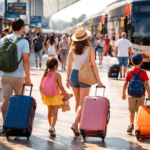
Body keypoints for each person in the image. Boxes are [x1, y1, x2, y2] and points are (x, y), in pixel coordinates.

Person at [66, 27, 103, 135]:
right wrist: (99, 81)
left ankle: (77, 126)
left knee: (77, 102)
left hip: (73, 75)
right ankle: (75, 124)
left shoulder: (71, 50)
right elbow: (94, 66)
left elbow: (69, 66)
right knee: (83, 103)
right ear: (86, 38)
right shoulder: (90, 50)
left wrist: (67, 79)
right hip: (84, 76)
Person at [0, 18, 31, 120]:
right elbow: (26, 61)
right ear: (22, 28)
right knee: (19, 101)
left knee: (5, 100)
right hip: (19, 76)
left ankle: (5, 124)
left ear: (11, 27)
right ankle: (16, 123)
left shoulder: (2, 40)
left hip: (4, 75)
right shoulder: (24, 42)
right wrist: (28, 78)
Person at [122, 53, 150, 133]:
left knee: (131, 111)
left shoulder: (129, 72)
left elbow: (125, 84)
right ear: (141, 62)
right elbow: (146, 84)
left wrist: (123, 93)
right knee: (140, 111)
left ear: (131, 61)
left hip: (131, 95)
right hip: (141, 95)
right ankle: (138, 126)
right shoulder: (144, 72)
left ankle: (131, 124)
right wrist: (149, 94)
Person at [39, 57, 67, 136]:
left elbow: (40, 86)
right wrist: (65, 94)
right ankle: (52, 127)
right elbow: (61, 87)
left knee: (49, 112)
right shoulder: (57, 75)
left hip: (47, 96)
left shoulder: (45, 74)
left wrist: (42, 95)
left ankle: (51, 126)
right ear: (55, 66)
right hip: (55, 96)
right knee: (55, 113)